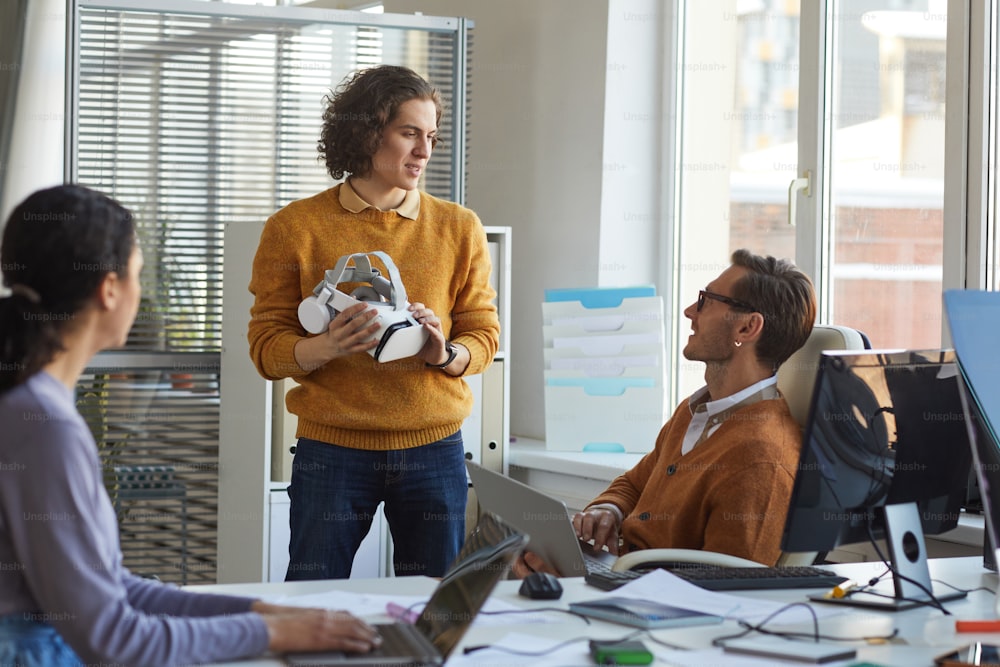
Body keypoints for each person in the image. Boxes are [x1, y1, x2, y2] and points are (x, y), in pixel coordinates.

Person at [0, 184, 380, 666]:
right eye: (140, 274)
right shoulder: (44, 428)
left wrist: (260, 612)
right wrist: (269, 632)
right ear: (110, 289)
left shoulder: (28, 405)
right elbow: (114, 640)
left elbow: (111, 586)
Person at [248, 64, 500, 581]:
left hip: (435, 448)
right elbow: (265, 344)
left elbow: (484, 335)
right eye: (409, 133)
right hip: (332, 451)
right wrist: (326, 346)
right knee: (314, 595)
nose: (424, 152)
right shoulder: (293, 228)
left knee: (435, 610)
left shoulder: (459, 227)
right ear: (367, 132)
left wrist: (443, 354)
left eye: (430, 136)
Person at [515, 249, 817, 576]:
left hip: (645, 605)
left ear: (746, 329)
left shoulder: (762, 459)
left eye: (707, 301)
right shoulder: (695, 412)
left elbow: (723, 599)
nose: (690, 311)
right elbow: (635, 483)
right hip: (622, 576)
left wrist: (575, 580)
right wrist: (609, 509)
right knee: (511, 550)